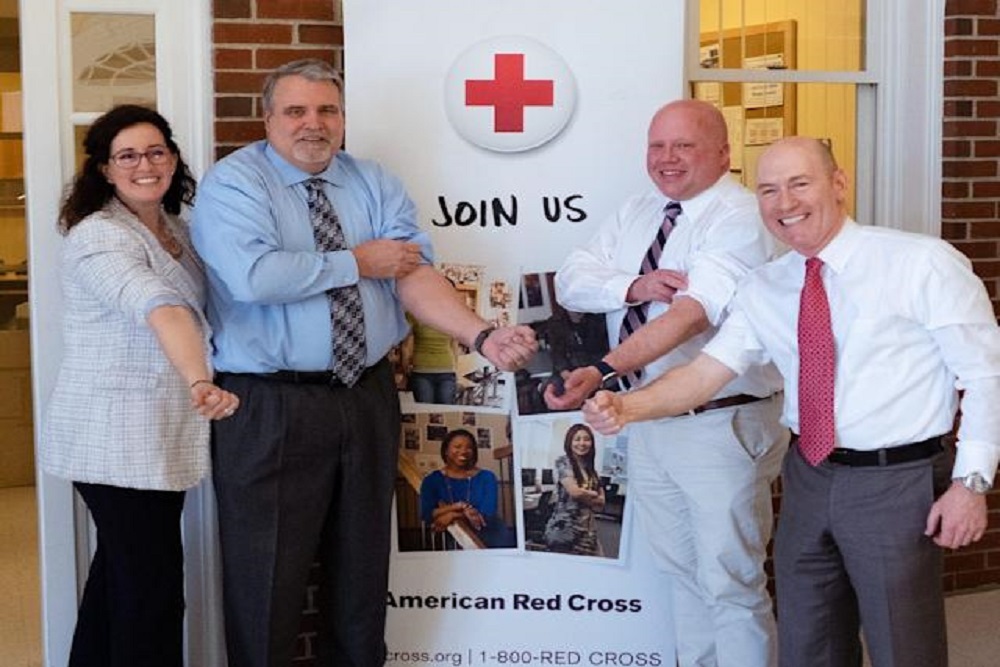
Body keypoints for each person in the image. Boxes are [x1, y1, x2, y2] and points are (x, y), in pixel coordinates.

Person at [584, 136, 1000, 667]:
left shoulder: (920, 263)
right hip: (809, 474)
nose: (785, 203)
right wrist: (627, 408)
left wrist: (970, 484)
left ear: (838, 183)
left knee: (903, 645)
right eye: (768, 190)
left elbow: (985, 375)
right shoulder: (766, 286)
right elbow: (707, 372)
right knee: (808, 640)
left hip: (896, 480)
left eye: (800, 184)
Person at [190, 58, 537, 667]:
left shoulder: (372, 181)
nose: (313, 124)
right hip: (271, 404)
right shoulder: (234, 185)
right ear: (267, 119)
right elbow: (254, 277)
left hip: (365, 394)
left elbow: (412, 275)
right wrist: (358, 261)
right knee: (266, 578)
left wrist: (482, 336)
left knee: (363, 571)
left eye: (327, 110)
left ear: (343, 118)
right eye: (296, 111)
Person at [545, 99, 788, 666]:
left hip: (719, 422)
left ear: (723, 153)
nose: (667, 158)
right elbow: (571, 280)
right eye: (657, 146)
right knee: (682, 574)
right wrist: (633, 286)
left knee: (730, 581)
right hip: (648, 418)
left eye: (684, 145)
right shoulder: (638, 211)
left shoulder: (740, 216)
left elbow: (692, 313)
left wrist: (604, 369)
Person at [40, 105, 240, 667]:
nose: (145, 165)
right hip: (111, 440)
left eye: (156, 152)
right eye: (127, 156)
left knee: (121, 580)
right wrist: (201, 379)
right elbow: (161, 306)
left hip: (157, 435)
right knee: (150, 591)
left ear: (173, 159)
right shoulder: (98, 236)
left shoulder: (176, 229)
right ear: (105, 169)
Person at [419, 428, 515, 548]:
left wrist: (452, 515)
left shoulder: (487, 477)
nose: (464, 451)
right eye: (457, 447)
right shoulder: (431, 480)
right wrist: (456, 507)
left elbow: (488, 512)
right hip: (456, 539)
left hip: (493, 537)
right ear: (446, 451)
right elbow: (426, 514)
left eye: (469, 447)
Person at [543, 423, 606, 556]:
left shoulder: (591, 469)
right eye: (577, 439)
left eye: (586, 439)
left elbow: (602, 503)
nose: (582, 443)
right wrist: (594, 494)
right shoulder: (563, 462)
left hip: (588, 530)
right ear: (569, 442)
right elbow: (574, 492)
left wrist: (586, 495)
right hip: (565, 529)